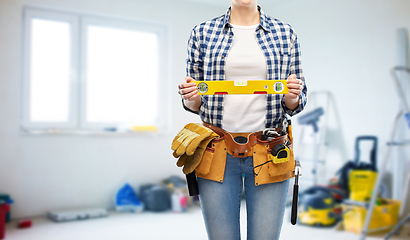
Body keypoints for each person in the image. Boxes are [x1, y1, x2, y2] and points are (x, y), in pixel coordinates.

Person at [177, 0, 307, 239]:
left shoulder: (285, 33)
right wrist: (191, 96)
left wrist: (292, 96)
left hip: (270, 151)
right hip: (216, 150)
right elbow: (193, 103)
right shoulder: (202, 32)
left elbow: (296, 102)